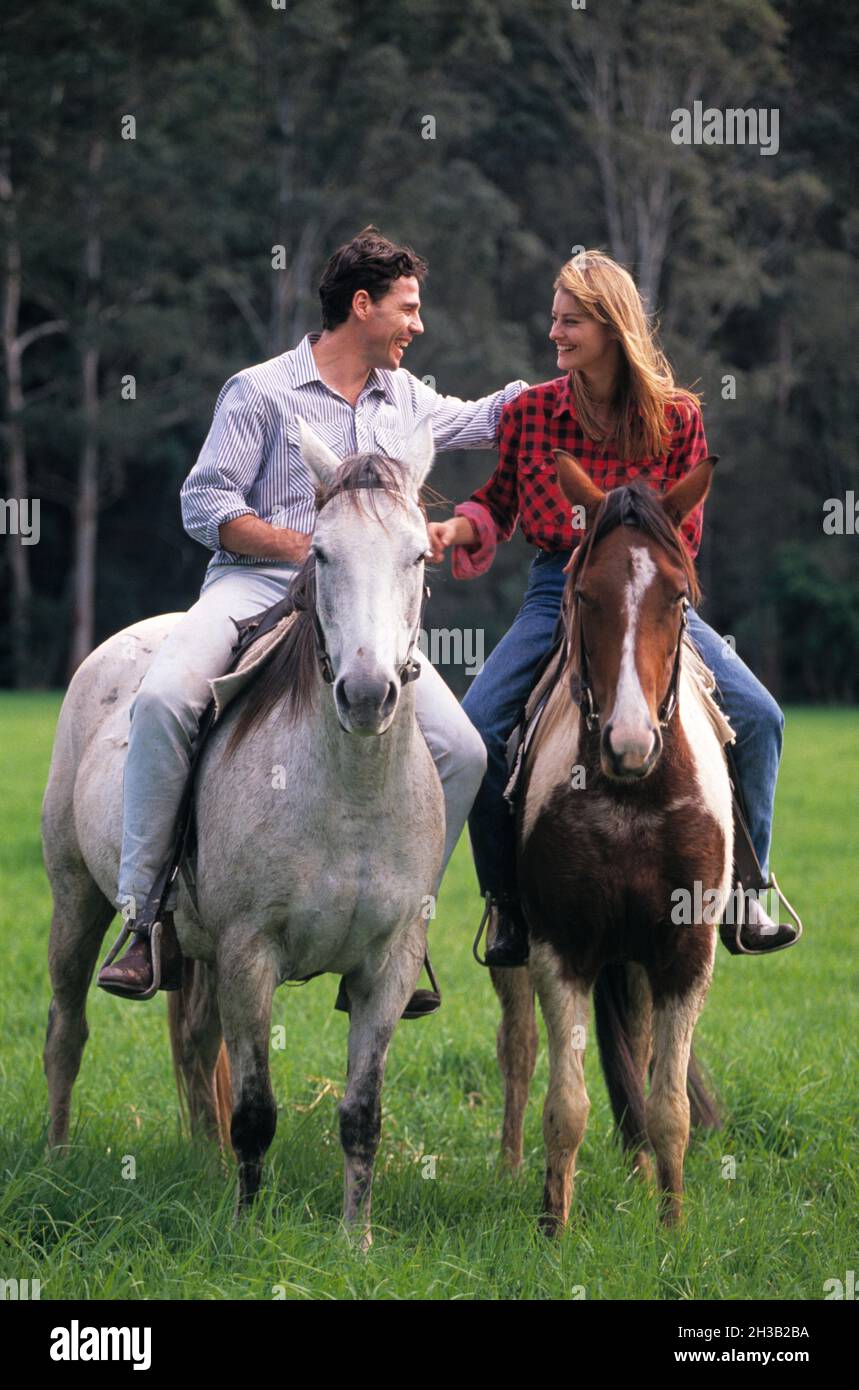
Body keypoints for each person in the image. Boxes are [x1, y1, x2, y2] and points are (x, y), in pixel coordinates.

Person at [97, 225, 529, 1010]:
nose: (417, 324)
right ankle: (145, 916)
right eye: (407, 308)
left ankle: (403, 933)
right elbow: (205, 501)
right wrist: (299, 545)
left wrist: (574, 380)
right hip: (255, 586)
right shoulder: (259, 391)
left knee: (463, 750)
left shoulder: (407, 399)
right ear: (361, 305)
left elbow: (488, 418)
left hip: (359, 606)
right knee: (162, 700)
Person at [427, 249, 800, 967]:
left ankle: (747, 894)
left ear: (611, 326)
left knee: (760, 718)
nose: (554, 334)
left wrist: (631, 566)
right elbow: (497, 504)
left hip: (651, 595)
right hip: (556, 589)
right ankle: (506, 905)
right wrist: (455, 529)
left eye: (570, 322)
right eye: (554, 319)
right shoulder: (531, 412)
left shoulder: (677, 417)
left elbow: (682, 537)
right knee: (477, 730)